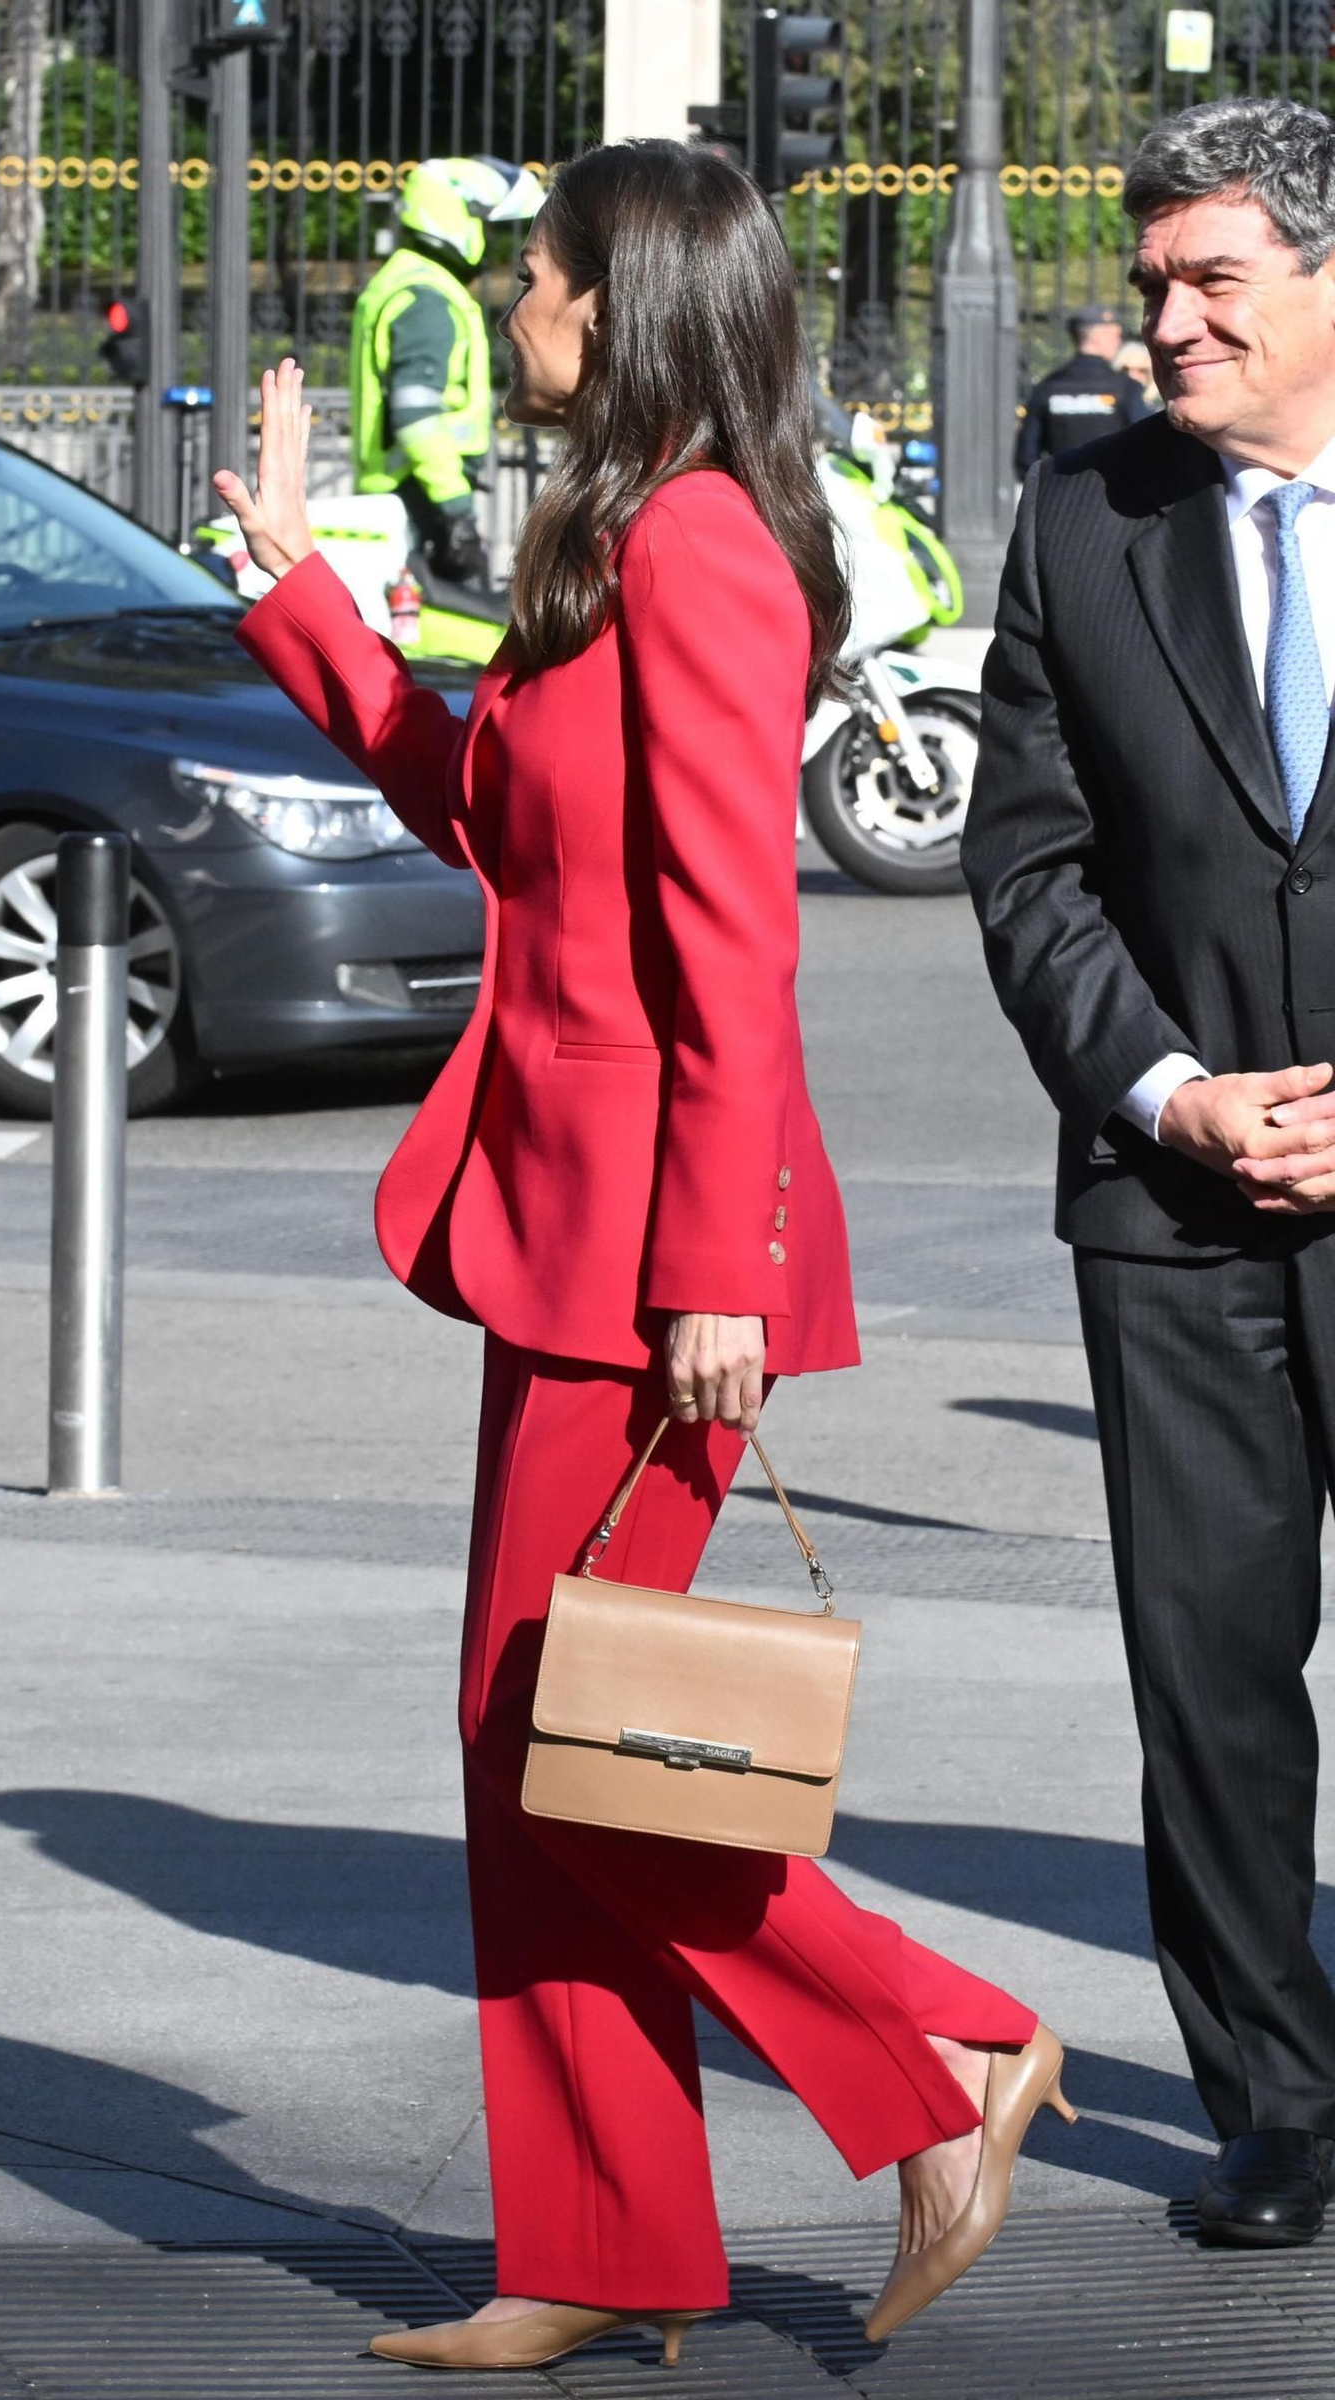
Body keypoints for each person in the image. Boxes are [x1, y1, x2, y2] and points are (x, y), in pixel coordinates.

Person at [217, 138, 1068, 2367]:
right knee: (530, 1738)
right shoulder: (601, 541)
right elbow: (490, 814)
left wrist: (714, 1270)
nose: (511, 312)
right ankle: (594, 2250)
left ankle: (942, 2047)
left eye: (536, 281)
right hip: (557, 1241)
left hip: (660, 1258)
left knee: (565, 1742)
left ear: (627, 305)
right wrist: (305, 591)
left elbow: (735, 947)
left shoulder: (700, 554)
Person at [965, 94, 1335, 2250]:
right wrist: (1170, 1092)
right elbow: (1025, 869)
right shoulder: (1078, 515)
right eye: (1152, 279)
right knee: (1204, 1677)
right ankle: (1274, 2106)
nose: (1160, 322)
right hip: (1170, 1202)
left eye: (1209, 281)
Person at [350, 155, 542, 588]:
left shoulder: (403, 280)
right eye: (482, 223)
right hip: (422, 497)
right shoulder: (428, 298)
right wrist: (455, 509)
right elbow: (416, 416)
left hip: (410, 491)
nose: (487, 240)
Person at [1014, 303, 1150, 473]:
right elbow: (1149, 443)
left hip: (1063, 491)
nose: (1119, 342)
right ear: (1098, 337)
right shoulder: (1125, 388)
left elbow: (1026, 456)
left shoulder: (1047, 388)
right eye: (1116, 335)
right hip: (1116, 492)